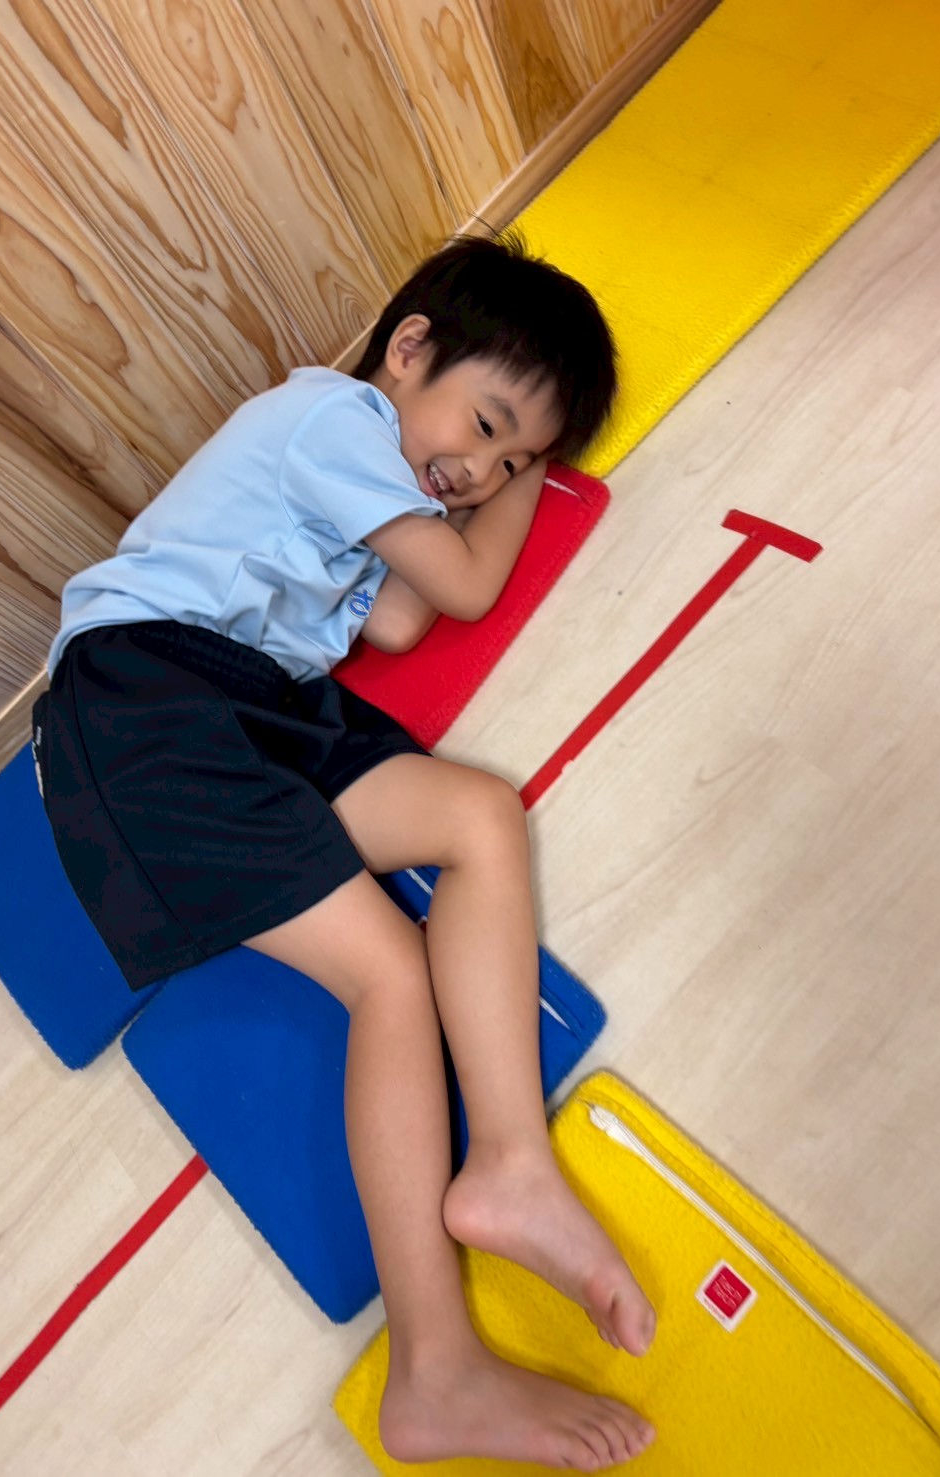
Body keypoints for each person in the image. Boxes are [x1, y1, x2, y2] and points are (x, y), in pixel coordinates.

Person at [34, 232, 656, 1470]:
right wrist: (536, 472)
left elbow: (409, 613)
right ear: (407, 347)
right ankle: (433, 1367)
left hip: (246, 704)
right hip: (141, 704)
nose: (478, 471)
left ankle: (509, 1165)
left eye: (510, 460)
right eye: (484, 426)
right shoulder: (329, 418)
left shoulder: (376, 487)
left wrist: (500, 461)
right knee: (387, 974)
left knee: (479, 817)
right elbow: (462, 589)